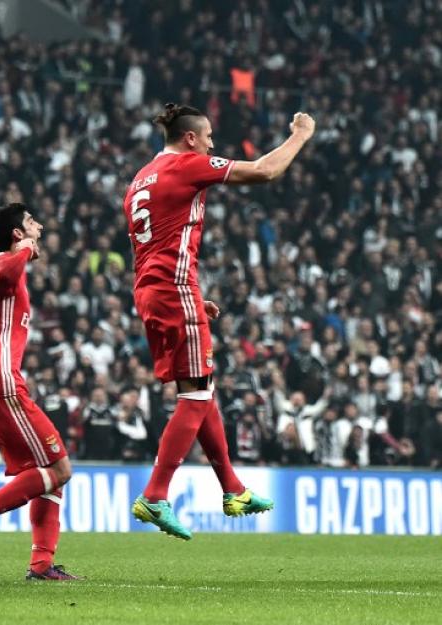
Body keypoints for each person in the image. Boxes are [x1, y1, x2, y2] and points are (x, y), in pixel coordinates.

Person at [126, 103, 315, 539]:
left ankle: (233, 489)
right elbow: (266, 171)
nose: (213, 143)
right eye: (208, 136)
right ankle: (154, 495)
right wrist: (301, 134)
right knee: (194, 397)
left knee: (202, 389)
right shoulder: (188, 164)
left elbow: (158, 244)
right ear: (191, 138)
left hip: (153, 290)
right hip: (173, 291)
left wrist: (190, 297)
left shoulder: (141, 177)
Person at [0, 203, 79, 581]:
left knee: (46, 472)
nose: (40, 225)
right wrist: (22, 251)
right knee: (59, 468)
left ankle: (41, 565)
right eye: (30, 222)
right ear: (16, 234)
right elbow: (6, 270)